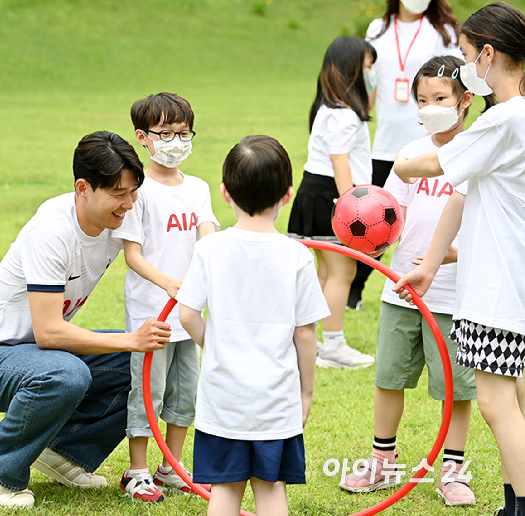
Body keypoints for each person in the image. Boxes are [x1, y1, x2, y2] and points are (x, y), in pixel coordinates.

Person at [0, 131, 172, 509]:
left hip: (39, 353)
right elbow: (50, 332)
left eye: (134, 191)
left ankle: (64, 453)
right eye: (119, 193)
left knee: (146, 364)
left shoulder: (118, 221)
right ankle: (1, 464)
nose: (130, 204)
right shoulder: (52, 230)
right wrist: (131, 339)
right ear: (83, 188)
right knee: (68, 374)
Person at [393, 4, 525, 515]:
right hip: (509, 279)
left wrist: (404, 160)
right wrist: (428, 263)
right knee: (515, 400)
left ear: (488, 55)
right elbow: (462, 194)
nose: (468, 65)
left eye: (468, 57)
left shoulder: (504, 120)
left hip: (499, 286)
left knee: (495, 403)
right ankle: (513, 501)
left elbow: (423, 164)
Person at [338, 55, 477, 507]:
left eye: (440, 98)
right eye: (422, 99)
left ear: (465, 100)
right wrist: (373, 244)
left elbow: (481, 227)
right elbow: (386, 212)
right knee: (389, 378)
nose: (430, 106)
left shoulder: (477, 154)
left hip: (455, 297)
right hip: (402, 290)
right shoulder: (412, 155)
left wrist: (450, 256)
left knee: (455, 388)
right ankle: (383, 461)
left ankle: (452, 469)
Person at [177, 135, 330, 516]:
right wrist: (306, 392)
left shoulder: (209, 249)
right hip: (275, 401)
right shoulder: (297, 255)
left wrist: (214, 343)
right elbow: (305, 333)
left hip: (222, 399)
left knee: (225, 489)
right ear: (288, 195)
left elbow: (187, 314)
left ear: (225, 193)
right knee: (271, 486)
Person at [113, 93, 219, 503]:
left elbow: (207, 233)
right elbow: (133, 255)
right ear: (142, 137)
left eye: (182, 132)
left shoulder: (197, 188)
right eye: (165, 133)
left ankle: (171, 467)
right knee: (148, 394)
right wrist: (170, 283)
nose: (176, 141)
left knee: (185, 392)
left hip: (189, 314)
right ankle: (137, 471)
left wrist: (209, 269)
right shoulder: (139, 191)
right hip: (152, 315)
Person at [349, 0, 461, 310]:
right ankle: (354, 290)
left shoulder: (443, 31)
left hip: (427, 142)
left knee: (425, 215)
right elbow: (368, 80)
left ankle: (431, 280)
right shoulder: (378, 29)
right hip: (387, 142)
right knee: (376, 220)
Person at [287, 35, 376, 369]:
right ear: (352, 70)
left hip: (318, 191)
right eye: (368, 68)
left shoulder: (333, 108)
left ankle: (320, 343)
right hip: (332, 195)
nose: (372, 74)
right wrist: (352, 204)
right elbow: (340, 160)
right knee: (343, 271)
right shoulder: (343, 115)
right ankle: (335, 345)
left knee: (328, 271)